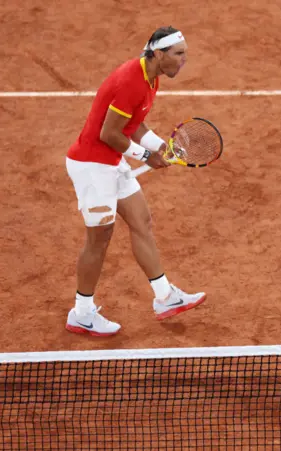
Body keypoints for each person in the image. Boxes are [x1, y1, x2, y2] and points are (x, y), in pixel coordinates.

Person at [64, 26, 206, 337]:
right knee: (99, 239)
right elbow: (109, 134)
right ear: (159, 54)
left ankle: (165, 296)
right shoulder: (131, 81)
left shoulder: (150, 77)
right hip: (92, 166)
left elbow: (134, 122)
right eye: (178, 54)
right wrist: (145, 156)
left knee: (142, 221)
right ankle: (82, 312)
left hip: (111, 163)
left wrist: (159, 147)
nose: (184, 60)